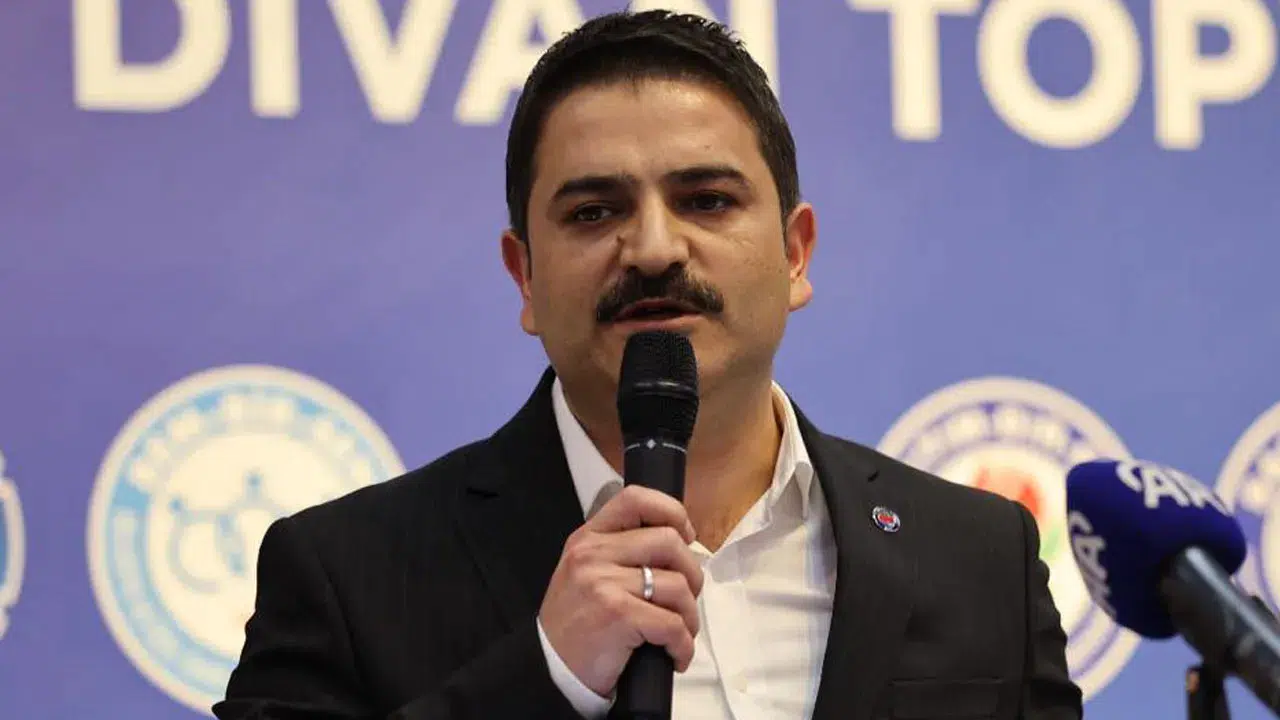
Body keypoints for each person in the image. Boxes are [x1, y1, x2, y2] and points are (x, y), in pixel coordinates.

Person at [214, 10, 1082, 720]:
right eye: (595, 212)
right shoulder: (348, 573)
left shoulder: (978, 560)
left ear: (795, 254)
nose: (656, 249)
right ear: (524, 276)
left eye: (707, 200)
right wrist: (547, 674)